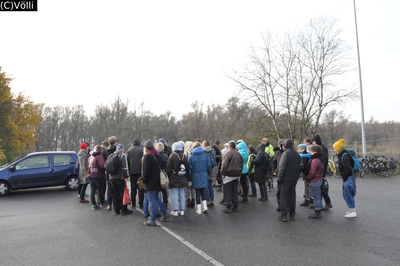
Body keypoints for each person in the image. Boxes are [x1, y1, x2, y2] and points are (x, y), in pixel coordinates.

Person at [142, 139, 170, 226]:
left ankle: (152, 219)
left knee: (152, 200)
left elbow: (146, 171)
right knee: (156, 198)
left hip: (150, 182)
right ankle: (165, 213)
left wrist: (144, 180)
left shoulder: (147, 157)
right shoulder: (158, 156)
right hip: (158, 181)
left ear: (146, 148)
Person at [276, 138, 301, 222]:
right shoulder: (297, 154)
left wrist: (279, 178)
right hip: (294, 178)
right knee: (292, 196)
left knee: (284, 197)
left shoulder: (285, 154)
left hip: (286, 178)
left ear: (285, 145)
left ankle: (284, 215)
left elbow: (282, 168)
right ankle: (292, 214)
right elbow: (299, 167)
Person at [333, 138, 357, 218]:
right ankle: (351, 210)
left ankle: (353, 211)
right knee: (347, 193)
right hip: (349, 176)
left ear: (337, 148)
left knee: (348, 193)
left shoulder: (344, 156)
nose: (334, 149)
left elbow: (347, 168)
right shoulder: (344, 154)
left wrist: (344, 176)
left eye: (335, 148)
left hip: (348, 177)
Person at [189, 141, 212, 214]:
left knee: (197, 193)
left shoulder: (192, 157)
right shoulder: (205, 155)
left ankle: (199, 209)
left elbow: (190, 169)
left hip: (195, 176)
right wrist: (207, 173)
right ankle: (205, 207)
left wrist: (190, 178)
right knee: (203, 191)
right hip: (204, 175)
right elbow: (209, 166)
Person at [220, 141, 243, 213]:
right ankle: (235, 206)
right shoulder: (239, 154)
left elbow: (224, 165)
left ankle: (228, 206)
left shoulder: (228, 154)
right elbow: (241, 164)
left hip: (229, 174)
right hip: (237, 174)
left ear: (229, 147)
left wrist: (222, 174)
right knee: (235, 191)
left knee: (227, 191)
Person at [109, 144, 133, 216]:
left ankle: (116, 210)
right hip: (120, 178)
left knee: (114, 194)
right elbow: (125, 167)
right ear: (122, 149)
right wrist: (126, 177)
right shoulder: (123, 155)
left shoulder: (111, 155)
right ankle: (124, 209)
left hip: (112, 178)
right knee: (122, 194)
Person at [166, 142, 188, 216]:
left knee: (175, 194)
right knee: (182, 194)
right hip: (183, 177)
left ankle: (175, 210)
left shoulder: (172, 156)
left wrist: (167, 177)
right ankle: (182, 210)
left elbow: (168, 168)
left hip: (174, 177)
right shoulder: (185, 156)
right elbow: (187, 168)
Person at [312, 134, 333, 211]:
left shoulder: (322, 148)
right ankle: (320, 203)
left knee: (322, 188)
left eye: (313, 141)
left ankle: (327, 202)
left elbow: (324, 159)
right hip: (322, 169)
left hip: (321, 170)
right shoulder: (321, 146)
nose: (313, 143)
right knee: (320, 187)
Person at [304, 145, 324, 219]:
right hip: (319, 179)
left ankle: (317, 212)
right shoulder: (320, 159)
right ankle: (319, 210)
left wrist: (307, 178)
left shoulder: (315, 160)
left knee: (316, 197)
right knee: (318, 196)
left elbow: (312, 171)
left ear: (314, 151)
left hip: (315, 180)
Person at [87, 144, 108, 210]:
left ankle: (94, 204)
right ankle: (102, 202)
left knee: (92, 190)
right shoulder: (99, 157)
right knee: (100, 190)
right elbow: (102, 166)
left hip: (90, 175)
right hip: (98, 175)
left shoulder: (90, 157)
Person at [127, 138, 144, 209]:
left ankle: (133, 202)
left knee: (133, 188)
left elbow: (127, 161)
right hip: (140, 172)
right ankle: (141, 203)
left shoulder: (129, 150)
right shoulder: (141, 150)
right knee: (141, 188)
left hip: (132, 172)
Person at [102, 136, 118, 210]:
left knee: (109, 189)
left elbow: (103, 163)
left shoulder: (105, 152)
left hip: (108, 172)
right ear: (115, 142)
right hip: (117, 172)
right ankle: (118, 205)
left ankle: (109, 204)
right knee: (117, 189)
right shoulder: (117, 150)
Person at [202, 140, 216, 206]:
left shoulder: (203, 152)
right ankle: (212, 199)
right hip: (211, 170)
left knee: (206, 185)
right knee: (210, 185)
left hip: (205, 170)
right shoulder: (212, 152)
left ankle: (207, 199)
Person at [156, 141, 169, 208]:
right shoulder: (165, 156)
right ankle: (165, 202)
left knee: (158, 189)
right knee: (164, 188)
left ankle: (159, 203)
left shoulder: (156, 156)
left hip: (158, 172)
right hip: (164, 172)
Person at [299, 142, 312, 207]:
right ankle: (309, 199)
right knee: (308, 186)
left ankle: (308, 199)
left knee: (307, 186)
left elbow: (304, 164)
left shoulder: (304, 154)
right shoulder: (306, 154)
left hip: (307, 172)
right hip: (307, 172)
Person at [273, 139, 284, 211]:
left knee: (282, 192)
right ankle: (280, 206)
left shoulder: (285, 153)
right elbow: (274, 161)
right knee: (279, 192)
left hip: (284, 175)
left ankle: (284, 207)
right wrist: (275, 170)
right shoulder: (278, 153)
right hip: (279, 173)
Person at [184, 141, 196, 208]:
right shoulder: (194, 153)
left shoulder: (185, 154)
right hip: (194, 172)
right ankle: (193, 199)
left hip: (186, 172)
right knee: (192, 187)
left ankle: (188, 200)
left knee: (187, 187)